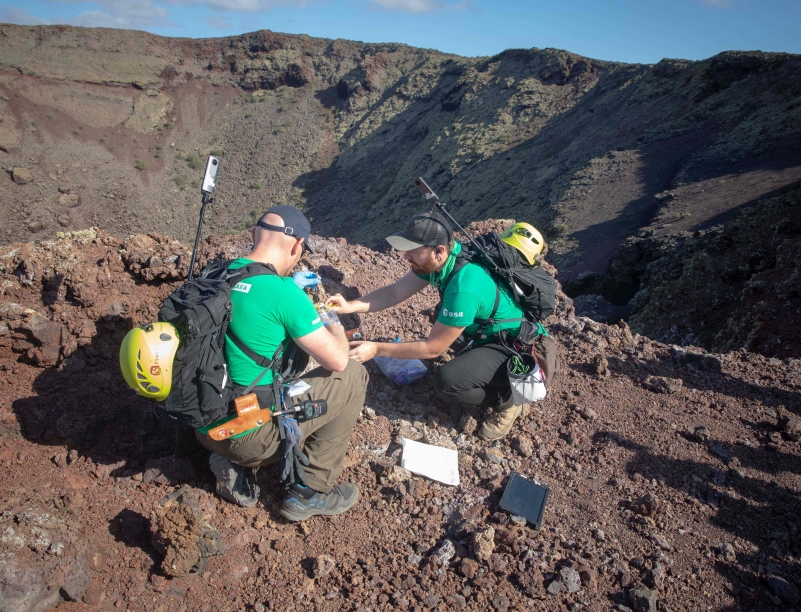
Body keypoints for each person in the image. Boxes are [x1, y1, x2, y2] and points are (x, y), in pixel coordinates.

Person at [195, 205, 368, 521]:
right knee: (354, 375)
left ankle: (230, 463)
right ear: (297, 246)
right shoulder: (283, 292)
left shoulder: (213, 274)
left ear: (253, 235)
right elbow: (339, 360)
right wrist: (326, 314)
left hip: (202, 423)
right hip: (247, 436)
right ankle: (310, 491)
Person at [325, 212, 556, 441]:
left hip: (515, 347)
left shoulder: (464, 287)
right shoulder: (448, 258)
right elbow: (396, 291)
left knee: (448, 382)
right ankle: (479, 361)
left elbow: (433, 349)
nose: (406, 257)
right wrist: (350, 306)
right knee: (442, 317)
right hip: (489, 331)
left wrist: (376, 349)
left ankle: (512, 399)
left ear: (439, 251)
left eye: (414, 251)